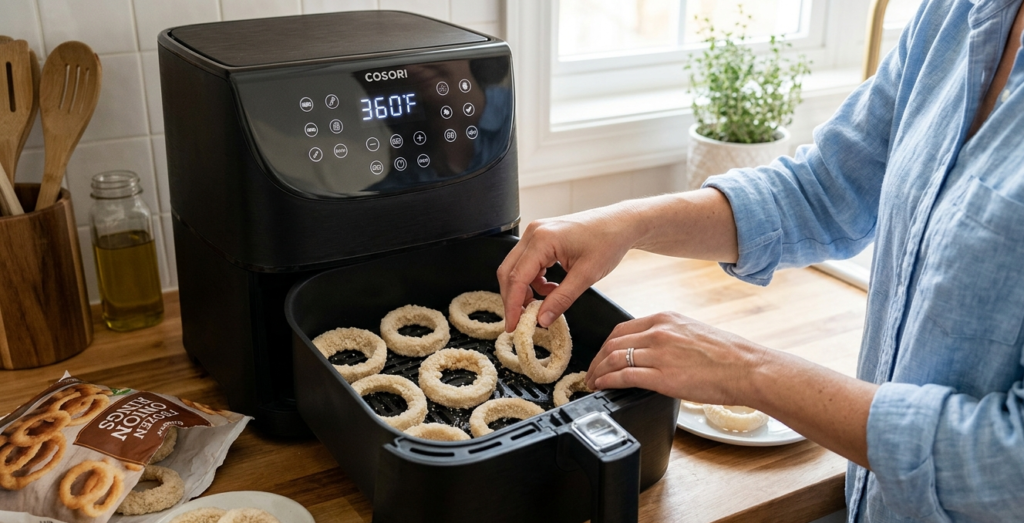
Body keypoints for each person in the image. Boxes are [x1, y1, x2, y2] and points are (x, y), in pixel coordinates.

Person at [497, 0, 1024, 521]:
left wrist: (748, 371)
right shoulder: (954, 15)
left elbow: (1007, 461)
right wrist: (628, 222)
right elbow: (826, 190)